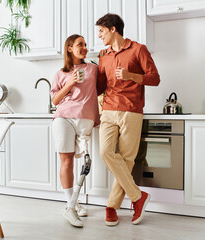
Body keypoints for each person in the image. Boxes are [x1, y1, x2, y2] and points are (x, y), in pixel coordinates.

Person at [96, 13, 160, 226]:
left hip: (131, 110)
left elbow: (155, 78)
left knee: (126, 159)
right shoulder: (103, 55)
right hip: (108, 110)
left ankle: (112, 206)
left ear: (113, 29)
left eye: (102, 31)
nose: (99, 36)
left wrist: (132, 76)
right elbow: (99, 87)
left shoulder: (138, 49)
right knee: (105, 151)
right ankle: (137, 196)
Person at [50, 34, 99, 228]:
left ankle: (72, 205)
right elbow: (54, 101)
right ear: (69, 48)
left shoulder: (94, 68)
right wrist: (70, 82)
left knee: (86, 163)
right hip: (63, 118)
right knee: (67, 161)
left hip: (85, 119)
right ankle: (72, 203)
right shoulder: (60, 73)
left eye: (86, 45)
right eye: (80, 44)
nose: (84, 47)